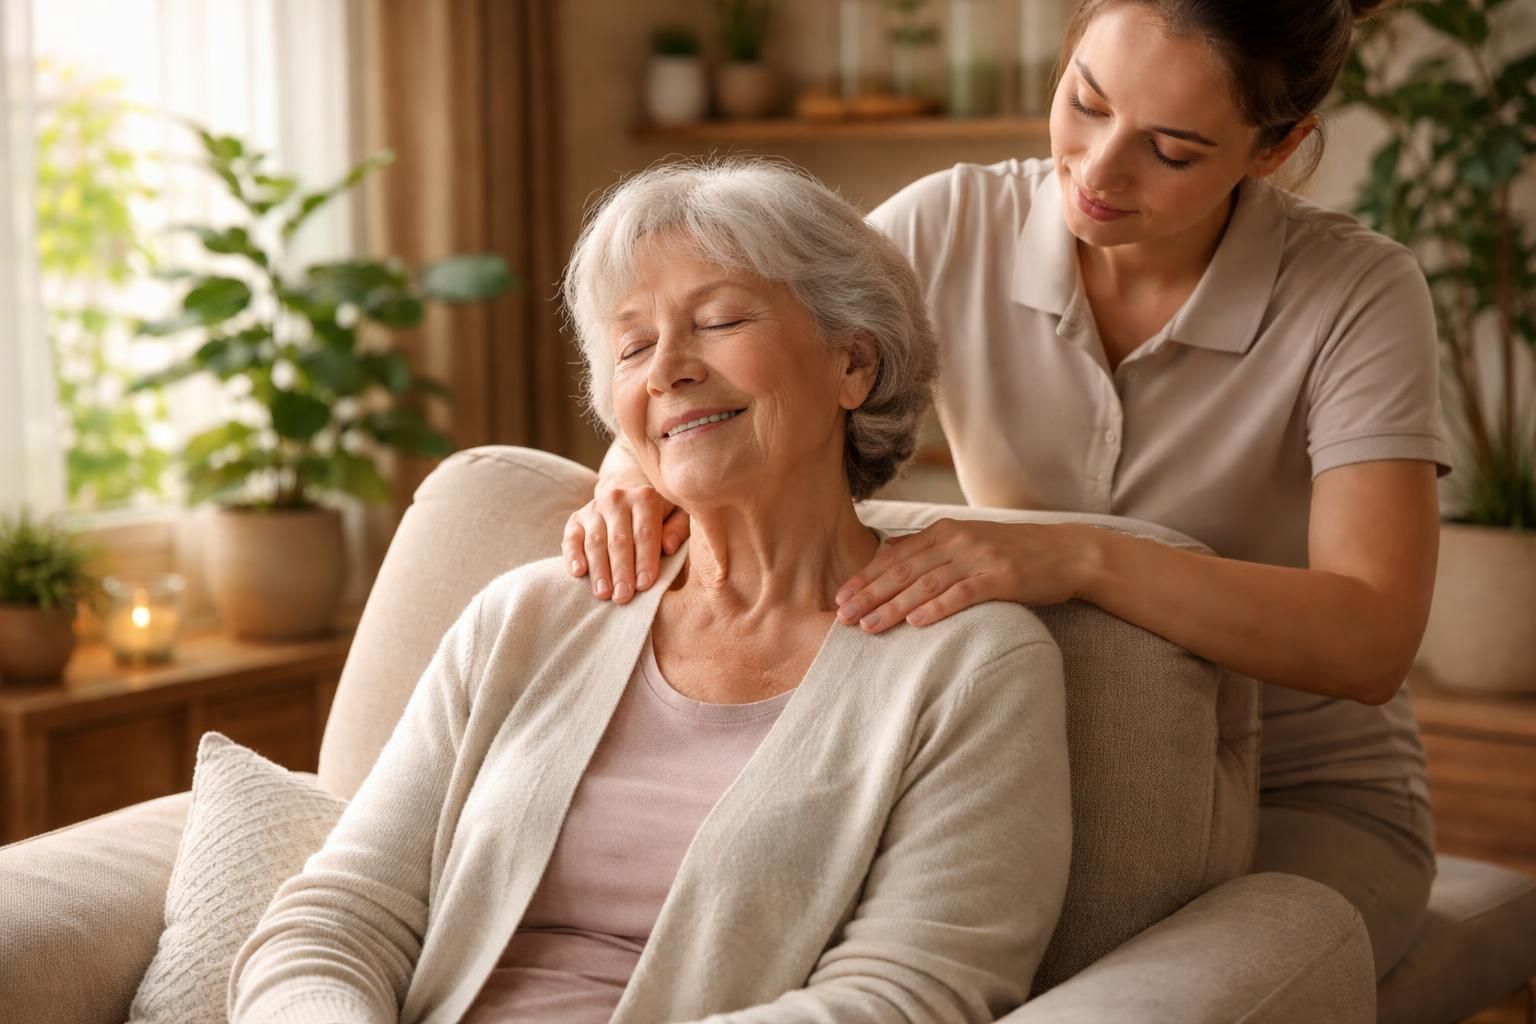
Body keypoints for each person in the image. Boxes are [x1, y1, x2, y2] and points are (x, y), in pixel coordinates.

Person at [567, 0, 1446, 982]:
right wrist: (630, 481)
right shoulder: (950, 220)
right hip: (1025, 765)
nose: (1102, 169)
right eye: (1087, 101)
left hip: (1302, 791)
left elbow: (1372, 638)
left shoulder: (1357, 293)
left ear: (1273, 149)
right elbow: (744, 350)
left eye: (1173, 148)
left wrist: (1077, 554)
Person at [229, 160, 1072, 1024]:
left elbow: (907, 996)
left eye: (720, 320)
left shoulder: (972, 665)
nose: (667, 369)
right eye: (633, 346)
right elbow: (336, 919)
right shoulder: (525, 618)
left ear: (853, 363)